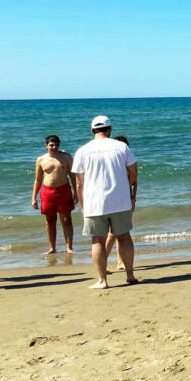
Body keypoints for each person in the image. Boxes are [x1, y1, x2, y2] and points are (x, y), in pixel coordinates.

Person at [71, 116, 138, 289]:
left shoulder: (82, 151)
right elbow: (133, 172)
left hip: (94, 202)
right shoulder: (121, 146)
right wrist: (126, 190)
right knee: (124, 237)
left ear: (92, 130)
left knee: (98, 240)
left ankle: (102, 280)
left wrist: (82, 204)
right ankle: (130, 275)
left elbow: (79, 183)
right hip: (120, 200)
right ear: (110, 129)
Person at [32, 135, 78, 255]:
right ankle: (52, 248)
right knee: (50, 220)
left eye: (56, 145)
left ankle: (69, 247)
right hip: (47, 192)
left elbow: (73, 177)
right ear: (46, 145)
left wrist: (76, 193)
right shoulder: (41, 159)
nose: (54, 147)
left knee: (66, 219)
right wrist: (34, 198)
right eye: (51, 145)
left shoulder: (66, 157)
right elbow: (37, 180)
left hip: (64, 190)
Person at [103, 135, 131, 271]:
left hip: (124, 200)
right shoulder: (109, 163)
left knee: (122, 233)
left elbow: (134, 181)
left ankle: (120, 262)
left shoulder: (127, 161)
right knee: (112, 233)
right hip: (112, 200)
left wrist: (133, 198)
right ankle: (103, 262)